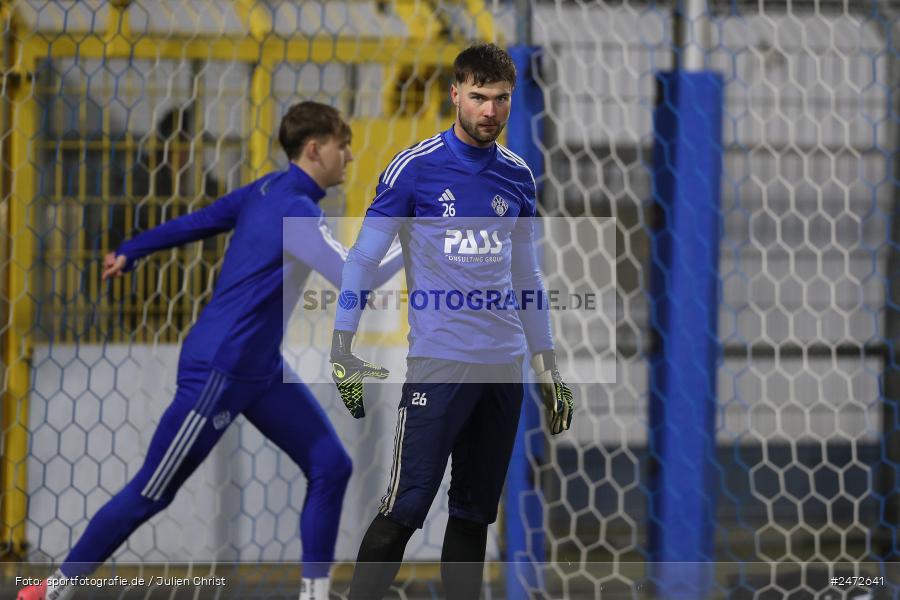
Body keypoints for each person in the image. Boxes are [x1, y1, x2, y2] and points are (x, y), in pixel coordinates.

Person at [18, 101, 403, 600]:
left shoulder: (267, 189)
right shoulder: (295, 208)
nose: (349, 157)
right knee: (151, 492)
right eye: (342, 145)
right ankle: (52, 589)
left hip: (258, 369)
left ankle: (314, 593)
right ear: (315, 149)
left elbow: (199, 220)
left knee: (331, 465)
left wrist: (133, 249)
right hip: (221, 369)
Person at [328, 44, 575, 600]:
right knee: (407, 505)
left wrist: (549, 364)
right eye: (480, 97)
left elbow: (528, 278)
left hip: (504, 369)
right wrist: (342, 344)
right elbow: (364, 260)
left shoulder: (517, 177)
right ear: (455, 94)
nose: (490, 111)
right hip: (440, 364)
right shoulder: (414, 169)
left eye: (502, 99)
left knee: (473, 514)